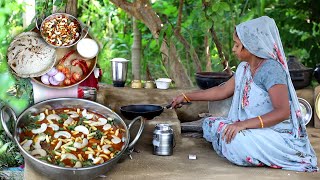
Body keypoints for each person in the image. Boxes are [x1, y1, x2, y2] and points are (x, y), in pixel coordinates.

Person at [171, 16, 318, 172]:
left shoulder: (271, 70)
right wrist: (187, 96)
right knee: (210, 123)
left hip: (276, 132)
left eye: (237, 45)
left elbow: (282, 112)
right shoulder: (244, 68)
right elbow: (222, 91)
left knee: (236, 140)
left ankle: (254, 149)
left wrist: (242, 125)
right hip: (251, 127)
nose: (233, 49)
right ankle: (242, 144)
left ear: (251, 46)